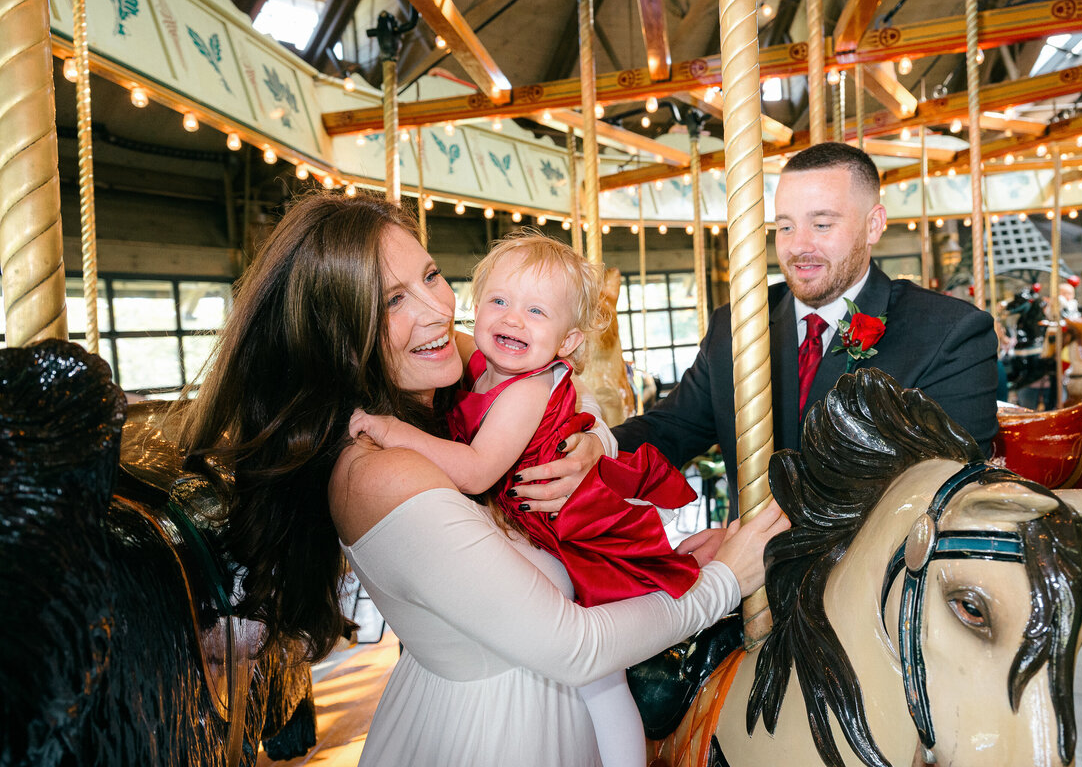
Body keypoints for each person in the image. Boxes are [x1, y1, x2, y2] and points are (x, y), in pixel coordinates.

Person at [179, 193, 788, 767]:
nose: (437, 309)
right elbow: (573, 646)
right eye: (392, 300)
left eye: (432, 274)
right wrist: (722, 581)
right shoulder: (378, 469)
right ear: (339, 335)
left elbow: (556, 390)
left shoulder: (444, 369)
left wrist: (590, 446)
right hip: (497, 733)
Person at [349, 232, 720, 767]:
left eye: (536, 311)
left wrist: (393, 431)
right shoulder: (477, 365)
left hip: (573, 530)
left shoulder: (524, 388)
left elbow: (476, 471)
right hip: (532, 523)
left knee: (602, 679)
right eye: (499, 301)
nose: (512, 320)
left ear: (567, 343)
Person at [515, 142, 999, 515]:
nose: (798, 246)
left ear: (873, 225)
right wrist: (598, 446)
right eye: (785, 227)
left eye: (822, 225)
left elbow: (949, 489)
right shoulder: (737, 324)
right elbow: (676, 425)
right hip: (752, 573)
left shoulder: (948, 333)